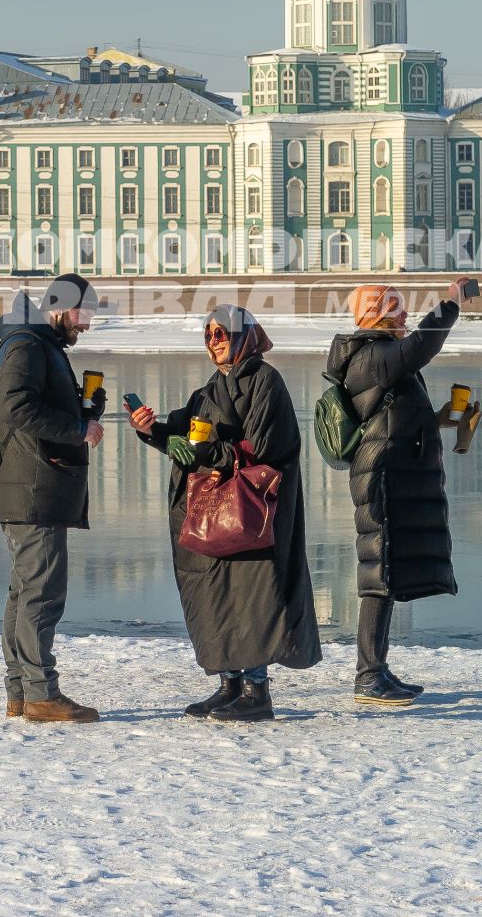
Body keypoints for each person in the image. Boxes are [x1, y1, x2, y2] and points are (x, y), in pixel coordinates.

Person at [129, 305, 320, 722]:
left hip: (254, 509)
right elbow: (184, 436)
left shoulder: (265, 382)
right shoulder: (211, 389)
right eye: (209, 335)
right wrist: (152, 431)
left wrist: (202, 452)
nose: (214, 342)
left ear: (244, 335)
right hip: (214, 511)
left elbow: (262, 448)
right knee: (217, 595)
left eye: (222, 333)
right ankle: (228, 685)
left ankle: (257, 692)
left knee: (253, 595)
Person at [327, 278, 475, 707]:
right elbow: (419, 347)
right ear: (377, 315)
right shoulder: (372, 356)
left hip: (392, 473)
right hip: (382, 477)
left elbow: (391, 418)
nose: (404, 316)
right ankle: (367, 676)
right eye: (396, 309)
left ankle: (377, 669)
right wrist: (449, 304)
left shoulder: (380, 359)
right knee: (378, 576)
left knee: (386, 574)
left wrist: (443, 418)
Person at [0, 273, 106, 723]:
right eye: (83, 314)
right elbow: (16, 407)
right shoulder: (27, 345)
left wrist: (83, 408)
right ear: (58, 306)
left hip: (32, 489)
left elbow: (31, 405)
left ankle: (21, 691)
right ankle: (40, 693)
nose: (86, 325)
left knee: (24, 594)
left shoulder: (40, 345)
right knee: (40, 594)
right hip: (33, 491)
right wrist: (79, 429)